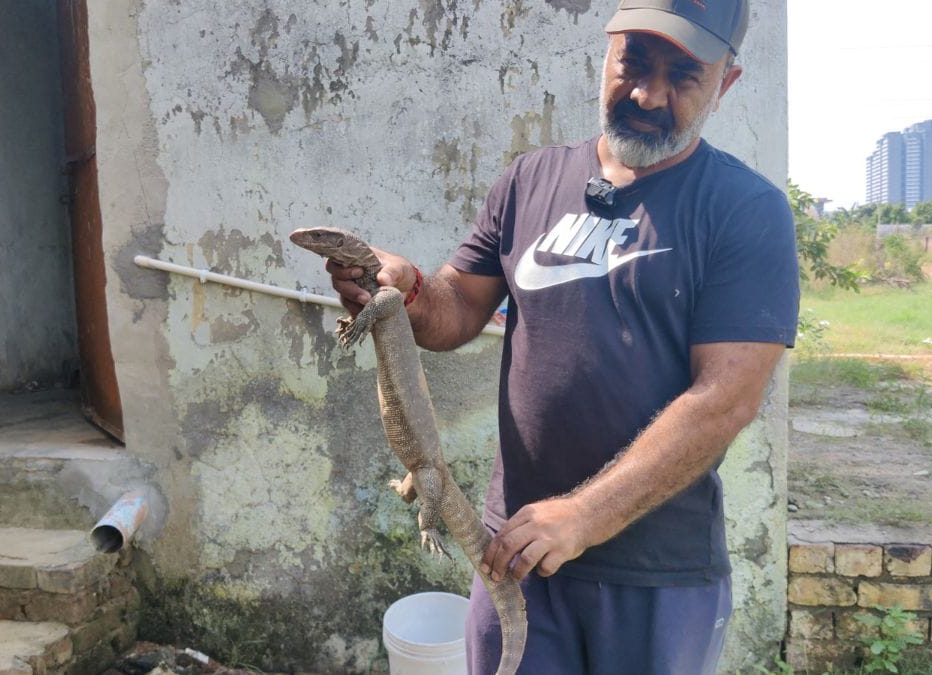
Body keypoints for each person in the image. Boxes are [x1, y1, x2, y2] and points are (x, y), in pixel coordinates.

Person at [326, 0, 798, 672]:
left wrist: (581, 516)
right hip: (515, 552)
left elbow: (726, 397)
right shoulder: (531, 180)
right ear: (606, 52)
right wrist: (406, 290)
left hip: (655, 574)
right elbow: (458, 306)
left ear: (725, 83)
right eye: (632, 61)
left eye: (683, 76)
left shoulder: (744, 210)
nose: (646, 92)